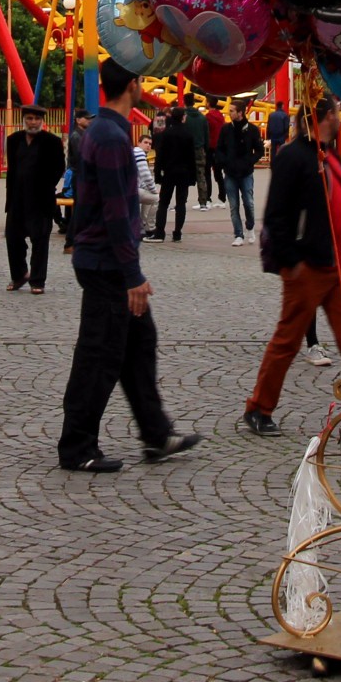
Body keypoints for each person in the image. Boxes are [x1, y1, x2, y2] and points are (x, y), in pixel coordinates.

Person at [59, 60, 199, 473]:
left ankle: (156, 434)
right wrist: (132, 275)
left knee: (139, 343)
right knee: (98, 356)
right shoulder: (111, 137)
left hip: (102, 258)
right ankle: (78, 447)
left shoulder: (102, 132)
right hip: (106, 264)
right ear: (134, 86)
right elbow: (118, 212)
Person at [243, 93, 341, 434]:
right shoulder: (293, 157)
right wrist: (292, 260)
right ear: (327, 116)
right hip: (309, 265)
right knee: (288, 338)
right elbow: (275, 214)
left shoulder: (328, 153)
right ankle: (259, 408)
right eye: (338, 111)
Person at [4, 103, 65, 292]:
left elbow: (59, 167)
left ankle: (37, 281)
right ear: (24, 120)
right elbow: (12, 168)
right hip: (17, 198)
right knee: (13, 238)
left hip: (41, 200)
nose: (33, 123)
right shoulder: (14, 140)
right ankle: (20, 274)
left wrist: (47, 185)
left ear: (42, 121)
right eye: (29, 119)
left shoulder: (52, 141)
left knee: (40, 241)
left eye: (37, 119)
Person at [216, 99, 264, 244]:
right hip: (230, 173)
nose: (228, 113)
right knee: (233, 205)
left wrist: (250, 161)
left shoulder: (252, 130)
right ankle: (238, 234)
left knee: (248, 202)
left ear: (240, 113)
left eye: (231, 111)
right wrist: (224, 161)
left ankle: (250, 226)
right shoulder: (225, 129)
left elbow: (260, 150)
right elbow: (219, 149)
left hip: (246, 172)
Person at [151, 103, 197, 241]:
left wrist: (157, 173)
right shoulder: (188, 135)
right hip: (183, 172)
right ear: (183, 118)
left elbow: (160, 155)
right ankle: (177, 232)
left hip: (169, 172)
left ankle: (160, 232)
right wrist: (193, 176)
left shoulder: (166, 134)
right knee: (181, 203)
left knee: (164, 203)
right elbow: (191, 157)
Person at [196, 96, 220, 210]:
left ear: (209, 103)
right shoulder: (220, 116)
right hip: (219, 146)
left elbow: (206, 132)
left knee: (207, 173)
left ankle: (208, 197)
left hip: (210, 146)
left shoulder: (208, 117)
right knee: (218, 172)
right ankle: (222, 197)